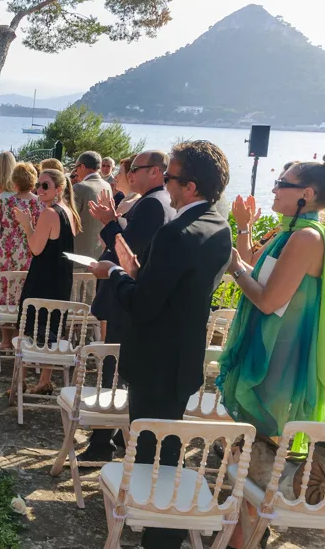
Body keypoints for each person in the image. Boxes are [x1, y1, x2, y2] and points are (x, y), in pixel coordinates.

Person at [89, 140, 232, 549]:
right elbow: (179, 291)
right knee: (167, 450)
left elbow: (144, 304)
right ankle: (162, 528)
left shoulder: (176, 232)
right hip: (182, 357)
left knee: (149, 450)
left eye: (169, 177)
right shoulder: (218, 226)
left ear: (189, 186)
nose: (165, 184)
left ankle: (158, 531)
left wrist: (114, 272)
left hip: (153, 359)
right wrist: (139, 271)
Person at [80, 151, 175, 462]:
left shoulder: (152, 203)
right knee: (120, 369)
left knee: (114, 369)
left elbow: (128, 249)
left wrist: (110, 224)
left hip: (129, 296)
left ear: (157, 172)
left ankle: (101, 444)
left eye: (137, 169)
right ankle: (116, 438)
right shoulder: (160, 201)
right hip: (136, 295)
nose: (131, 173)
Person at [219, 162, 325, 437]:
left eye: (283, 183)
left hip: (281, 354)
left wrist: (237, 268)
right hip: (270, 343)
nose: (275, 189)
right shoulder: (290, 232)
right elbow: (265, 279)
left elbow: (269, 301)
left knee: (266, 435)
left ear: (308, 194)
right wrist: (240, 261)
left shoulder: (306, 237)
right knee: (253, 436)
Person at [13, 169, 81, 394]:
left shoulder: (50, 213)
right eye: (38, 185)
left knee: (28, 327)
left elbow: (35, 247)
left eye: (45, 186)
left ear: (58, 189)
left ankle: (19, 382)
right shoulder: (69, 211)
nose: (39, 190)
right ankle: (44, 380)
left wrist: (25, 224)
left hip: (44, 278)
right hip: (61, 278)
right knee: (52, 328)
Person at [0, 162, 42, 349]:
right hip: (28, 249)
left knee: (4, 293)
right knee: (23, 293)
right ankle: (20, 336)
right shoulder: (39, 204)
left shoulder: (5, 202)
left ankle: (6, 339)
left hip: (6, 251)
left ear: (14, 182)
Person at [73, 151, 113, 260]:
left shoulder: (79, 188)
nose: (75, 172)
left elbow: (70, 220)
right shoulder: (107, 185)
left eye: (76, 168)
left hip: (79, 252)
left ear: (82, 167)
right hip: (99, 251)